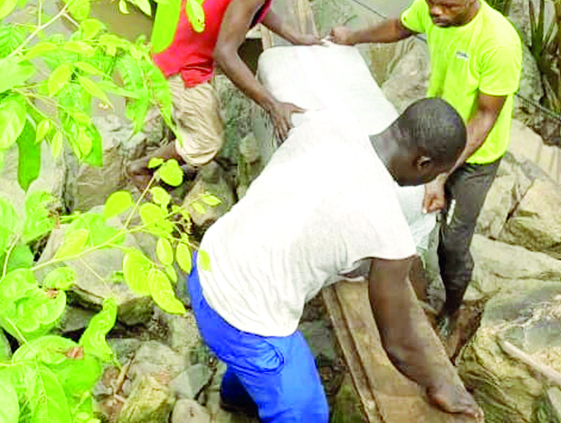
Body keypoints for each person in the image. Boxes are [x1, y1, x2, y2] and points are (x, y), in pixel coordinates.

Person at [189, 98, 482, 422]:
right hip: (238, 320)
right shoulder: (387, 229)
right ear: (423, 163)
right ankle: (258, 390)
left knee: (263, 360)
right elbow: (398, 343)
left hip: (206, 262)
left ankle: (236, 397)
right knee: (309, 413)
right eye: (434, 174)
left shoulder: (330, 119)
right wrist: (440, 382)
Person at [329, 0, 522, 337]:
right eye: (431, 0)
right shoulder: (432, 7)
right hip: (433, 136)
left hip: (473, 155)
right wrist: (354, 37)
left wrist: (441, 176)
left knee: (452, 244)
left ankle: (452, 308)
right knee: (391, 196)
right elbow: (401, 26)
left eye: (447, 6)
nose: (435, 12)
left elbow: (485, 116)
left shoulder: (497, 43)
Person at [131, 0, 325, 176]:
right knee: (207, 141)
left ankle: (176, 129)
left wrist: (295, 36)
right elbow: (225, 54)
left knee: (201, 112)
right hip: (183, 61)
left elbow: (250, 5)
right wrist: (273, 105)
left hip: (178, 30)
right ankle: (140, 169)